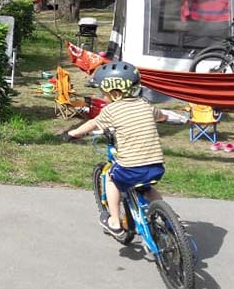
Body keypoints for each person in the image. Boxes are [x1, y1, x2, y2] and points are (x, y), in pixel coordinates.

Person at [61, 61, 166, 240]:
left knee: (112, 178)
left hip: (131, 168)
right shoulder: (144, 104)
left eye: (104, 93)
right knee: (147, 189)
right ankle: (169, 218)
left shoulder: (111, 110)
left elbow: (92, 123)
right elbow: (161, 116)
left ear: (114, 92)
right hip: (156, 166)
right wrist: (162, 118)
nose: (103, 96)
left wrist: (74, 133)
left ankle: (115, 222)